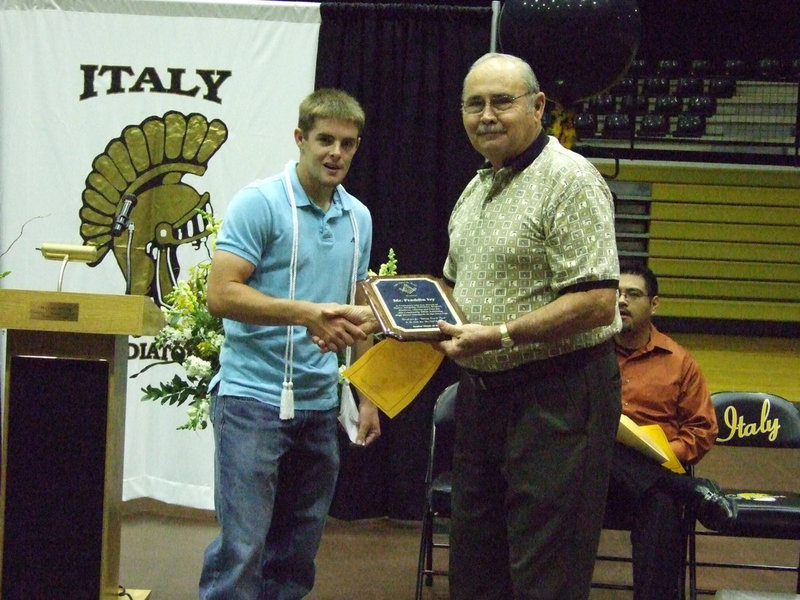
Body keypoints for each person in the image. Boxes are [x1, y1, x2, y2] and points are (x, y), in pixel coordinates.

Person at [434, 52, 624, 600]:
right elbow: (451, 287)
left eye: (502, 101)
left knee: (546, 572)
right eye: (475, 104)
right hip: (482, 398)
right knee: (473, 566)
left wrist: (501, 334)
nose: (486, 115)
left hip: (559, 396)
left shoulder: (570, 181)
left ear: (538, 106)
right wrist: (399, 312)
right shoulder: (476, 189)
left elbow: (595, 301)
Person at [198, 88, 381, 600]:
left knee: (297, 554)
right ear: (300, 138)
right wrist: (306, 315)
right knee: (243, 548)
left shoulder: (357, 218)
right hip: (252, 399)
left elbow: (356, 310)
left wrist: (367, 396)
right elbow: (220, 294)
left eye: (347, 144)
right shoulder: (260, 202)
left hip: (321, 404)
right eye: (325, 140)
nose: (335, 154)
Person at [606, 263, 737, 600]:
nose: (622, 301)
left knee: (661, 504)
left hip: (650, 475)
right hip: (590, 478)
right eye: (617, 294)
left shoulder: (680, 363)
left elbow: (702, 431)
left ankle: (674, 487)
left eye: (633, 295)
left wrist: (663, 454)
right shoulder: (589, 354)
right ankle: (688, 488)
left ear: (654, 304)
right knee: (596, 442)